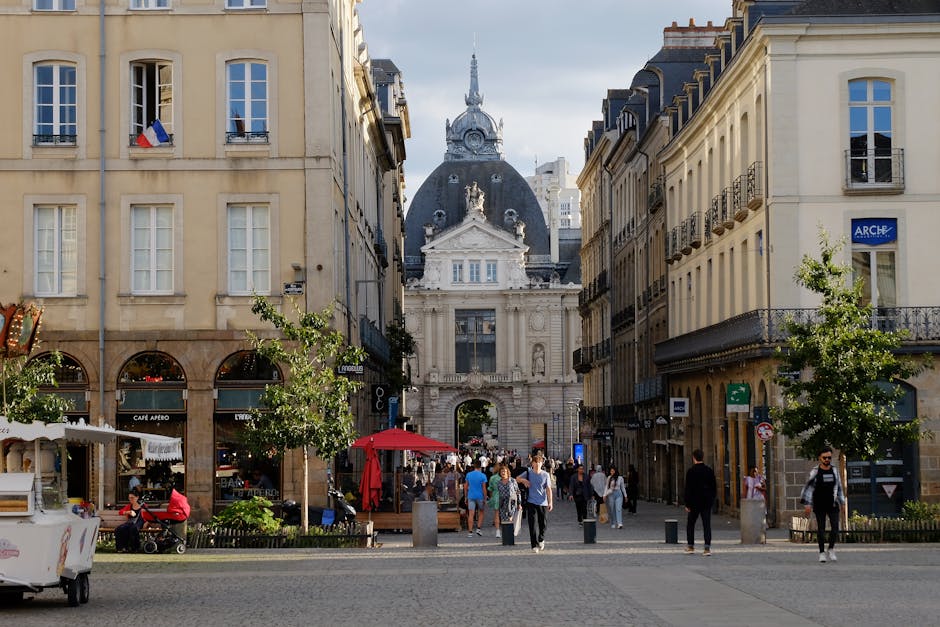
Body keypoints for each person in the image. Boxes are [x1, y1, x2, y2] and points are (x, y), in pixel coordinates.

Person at [801, 446, 846, 563]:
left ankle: (831, 548)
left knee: (835, 528)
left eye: (829, 457)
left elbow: (839, 487)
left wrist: (842, 502)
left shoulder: (834, 470)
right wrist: (807, 504)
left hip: (833, 503)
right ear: (820, 458)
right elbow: (808, 488)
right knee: (821, 529)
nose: (827, 460)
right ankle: (821, 553)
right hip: (819, 504)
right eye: (824, 457)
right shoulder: (815, 472)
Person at [516, 452, 553, 553]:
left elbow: (548, 489)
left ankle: (541, 538)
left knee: (543, 524)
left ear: (542, 463)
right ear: (532, 463)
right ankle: (534, 545)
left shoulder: (545, 475)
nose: (537, 464)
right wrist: (524, 481)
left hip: (543, 502)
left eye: (539, 462)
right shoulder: (528, 473)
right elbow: (517, 479)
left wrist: (550, 502)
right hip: (531, 502)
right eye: (535, 462)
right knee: (532, 524)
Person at [684, 449, 717, 556]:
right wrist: (711, 500)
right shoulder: (709, 471)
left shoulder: (691, 471)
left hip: (694, 503)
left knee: (690, 524)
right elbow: (714, 487)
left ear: (694, 458)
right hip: (706, 502)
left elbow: (688, 489)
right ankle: (707, 548)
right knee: (707, 525)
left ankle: (690, 546)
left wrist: (687, 504)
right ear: (703, 457)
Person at [495, 463, 521, 539]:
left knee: (510, 518)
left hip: (512, 503)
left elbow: (518, 492)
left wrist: (519, 503)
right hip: (503, 503)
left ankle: (510, 536)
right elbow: (498, 494)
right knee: (503, 520)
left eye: (504, 471)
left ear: (507, 472)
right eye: (501, 471)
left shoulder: (512, 481)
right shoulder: (499, 483)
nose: (503, 473)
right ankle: (506, 537)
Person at [464, 459, 488, 537]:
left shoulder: (469, 475)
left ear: (474, 466)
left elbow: (465, 486)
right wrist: (485, 498)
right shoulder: (483, 476)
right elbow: (484, 488)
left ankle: (470, 532)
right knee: (481, 511)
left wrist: (465, 496)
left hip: (471, 496)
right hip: (480, 496)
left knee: (471, 513)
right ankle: (478, 528)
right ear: (480, 466)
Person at [487, 465, 502, 537]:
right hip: (505, 496)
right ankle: (507, 529)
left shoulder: (492, 478)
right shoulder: (506, 476)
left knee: (496, 514)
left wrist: (491, 497)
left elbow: (490, 489)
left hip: (496, 496)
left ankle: (498, 531)